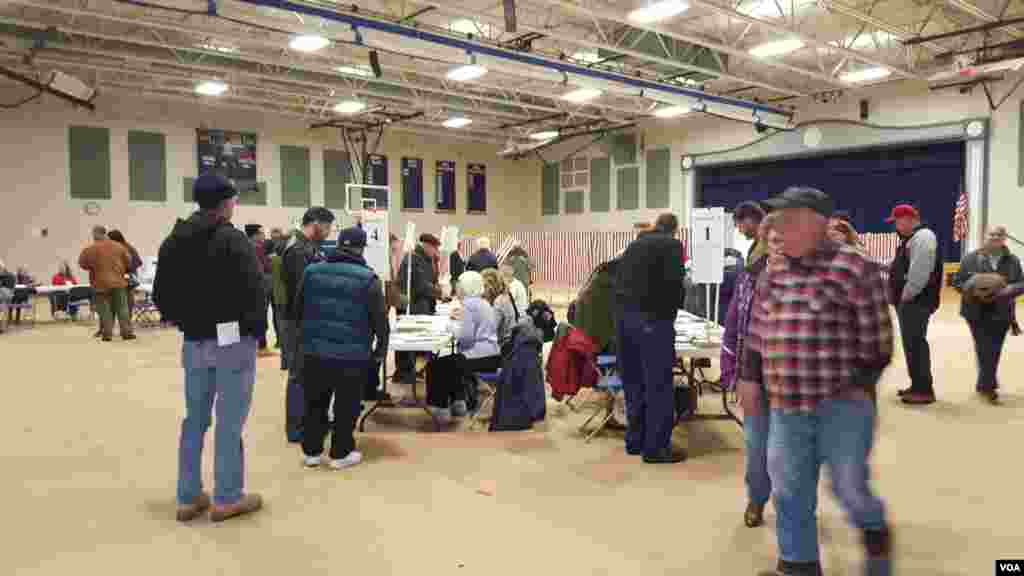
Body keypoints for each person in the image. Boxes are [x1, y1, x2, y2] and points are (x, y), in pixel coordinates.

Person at [740, 187, 893, 576]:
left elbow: (878, 342)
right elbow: (758, 330)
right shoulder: (772, 270)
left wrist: (854, 388)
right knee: (789, 491)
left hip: (840, 405)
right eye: (778, 221)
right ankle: (799, 566)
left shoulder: (855, 268)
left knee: (848, 490)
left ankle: (875, 532)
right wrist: (750, 378)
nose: (780, 229)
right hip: (787, 407)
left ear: (818, 223)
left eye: (790, 221)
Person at [153, 173, 266, 523]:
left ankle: (188, 497)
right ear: (227, 203)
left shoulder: (173, 240)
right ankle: (227, 497)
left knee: (194, 419)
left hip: (194, 339)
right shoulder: (234, 240)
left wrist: (187, 321)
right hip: (231, 339)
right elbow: (254, 293)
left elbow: (161, 295)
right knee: (229, 421)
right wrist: (255, 333)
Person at [295, 226, 389, 470]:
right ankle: (340, 453)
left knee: (314, 402)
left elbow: (297, 311)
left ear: (338, 245)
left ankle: (311, 452)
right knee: (346, 405)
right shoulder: (368, 278)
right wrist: (380, 352)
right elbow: (380, 321)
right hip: (352, 355)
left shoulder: (311, 272)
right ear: (361, 248)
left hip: (314, 351)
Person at [720, 212, 781, 529]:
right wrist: (731, 371)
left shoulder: (812, 283)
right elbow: (731, 329)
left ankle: (794, 510)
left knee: (793, 456)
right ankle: (756, 499)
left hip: (796, 385)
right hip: (754, 379)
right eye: (773, 239)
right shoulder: (748, 277)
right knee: (756, 448)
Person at [614, 213, 686, 464]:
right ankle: (655, 448)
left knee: (633, 383)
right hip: (654, 322)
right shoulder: (672, 246)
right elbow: (675, 286)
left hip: (624, 323)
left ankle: (635, 441)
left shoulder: (633, 246)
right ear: (674, 230)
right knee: (658, 386)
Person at [281, 207, 336, 443]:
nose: (328, 232)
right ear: (315, 223)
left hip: (307, 319)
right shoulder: (297, 250)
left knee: (309, 374)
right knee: (299, 375)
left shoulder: (307, 247)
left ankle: (309, 421)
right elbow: (302, 290)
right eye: (327, 227)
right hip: (299, 321)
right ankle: (296, 428)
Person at [956, 225, 1023, 404]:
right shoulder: (970, 259)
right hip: (975, 311)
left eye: (999, 234)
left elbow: (1021, 284)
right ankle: (988, 386)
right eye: (991, 234)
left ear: (1004, 238)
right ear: (984, 236)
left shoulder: (1013, 261)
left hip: (1002, 311)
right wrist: (972, 288)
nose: (994, 237)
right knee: (984, 346)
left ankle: (984, 383)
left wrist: (1008, 290)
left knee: (994, 349)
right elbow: (957, 283)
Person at [886, 204, 943, 405]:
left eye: (896, 222)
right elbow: (899, 266)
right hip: (911, 302)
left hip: (915, 302)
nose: (895, 227)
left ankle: (924, 389)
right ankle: (917, 384)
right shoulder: (912, 239)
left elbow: (919, 272)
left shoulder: (923, 237)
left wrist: (906, 296)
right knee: (912, 344)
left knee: (916, 344)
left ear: (908, 219)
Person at [427, 271, 500, 421]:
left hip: (480, 356)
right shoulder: (482, 302)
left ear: (466, 287)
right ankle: (458, 402)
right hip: (491, 354)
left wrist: (450, 328)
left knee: (436, 365)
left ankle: (441, 409)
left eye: (459, 286)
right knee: (450, 363)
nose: (457, 288)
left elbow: (466, 338)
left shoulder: (469, 304)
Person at [395, 233, 443, 385]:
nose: (436, 252)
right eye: (435, 248)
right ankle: (403, 373)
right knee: (408, 342)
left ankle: (409, 371)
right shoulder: (414, 258)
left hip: (417, 304)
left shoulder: (423, 258)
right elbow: (421, 285)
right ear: (427, 246)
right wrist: (438, 292)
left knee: (412, 343)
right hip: (411, 305)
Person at [79, 225, 135, 342]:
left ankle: (107, 333)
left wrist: (94, 266)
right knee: (122, 308)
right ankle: (127, 332)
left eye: (93, 234)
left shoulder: (90, 249)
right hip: (118, 282)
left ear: (96, 234)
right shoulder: (119, 247)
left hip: (100, 283)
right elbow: (129, 261)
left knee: (104, 309)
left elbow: (83, 264)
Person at [246, 224, 275, 357]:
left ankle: (259, 345)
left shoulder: (249, 246)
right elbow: (265, 267)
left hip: (255, 288)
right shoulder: (255, 248)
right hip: (260, 288)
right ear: (255, 235)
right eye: (262, 233)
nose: (264, 236)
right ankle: (261, 347)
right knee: (261, 316)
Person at [482, 268, 517, 343]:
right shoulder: (504, 297)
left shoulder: (499, 302)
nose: (482, 291)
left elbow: (489, 330)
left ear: (492, 286)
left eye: (484, 286)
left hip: (502, 348)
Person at [734, 201, 767, 267]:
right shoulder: (754, 247)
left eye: (740, 226)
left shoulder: (773, 244)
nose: (740, 232)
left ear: (749, 220)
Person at [0, 260, 14, 333]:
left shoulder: (10, 276)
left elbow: (9, 292)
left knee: (3, 306)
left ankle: (2, 327)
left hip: (5, 298)